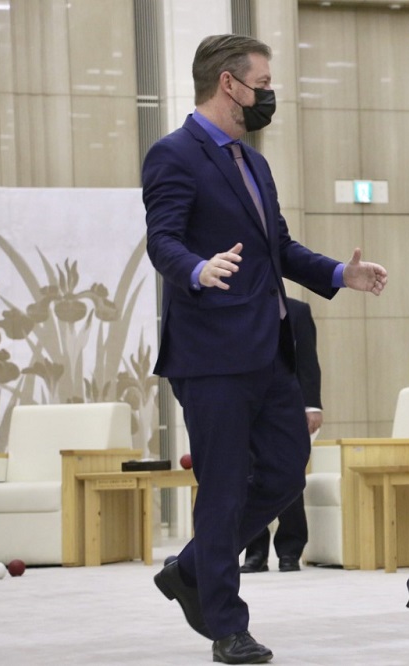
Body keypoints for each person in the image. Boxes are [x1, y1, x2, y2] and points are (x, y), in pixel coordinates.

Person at [143, 34, 387, 665]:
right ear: (230, 84)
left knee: (284, 469)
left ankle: (192, 568)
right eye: (264, 81)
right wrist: (198, 270)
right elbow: (163, 241)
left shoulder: (255, 163)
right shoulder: (174, 154)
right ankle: (227, 626)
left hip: (268, 350)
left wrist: (339, 274)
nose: (269, 93)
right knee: (222, 487)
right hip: (211, 352)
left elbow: (279, 248)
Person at [240, 298, 321, 574]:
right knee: (249, 476)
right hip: (248, 405)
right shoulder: (241, 307)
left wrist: (312, 406)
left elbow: (308, 361)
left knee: (289, 475)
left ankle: (290, 549)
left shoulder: (298, 311)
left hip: (288, 406)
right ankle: (255, 552)